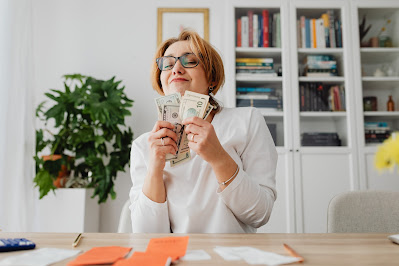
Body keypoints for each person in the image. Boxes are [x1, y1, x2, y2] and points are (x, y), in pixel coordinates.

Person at [129, 30, 277, 233]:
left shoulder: (247, 121)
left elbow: (259, 214)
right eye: (168, 64)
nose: (177, 69)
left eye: (189, 61)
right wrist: (155, 168)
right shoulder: (143, 145)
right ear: (161, 82)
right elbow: (146, 235)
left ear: (212, 79)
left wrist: (219, 158)